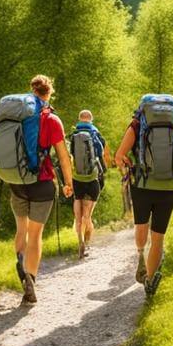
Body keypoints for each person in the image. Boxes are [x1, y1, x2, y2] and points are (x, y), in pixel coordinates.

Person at [114, 104, 173, 297]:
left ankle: (140, 254)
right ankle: (149, 281)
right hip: (167, 189)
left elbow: (119, 156)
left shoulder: (137, 124)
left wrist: (128, 169)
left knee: (141, 225)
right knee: (158, 238)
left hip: (142, 185)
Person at [8, 75, 73, 304]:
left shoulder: (16, 117)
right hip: (42, 182)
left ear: (31, 91)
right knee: (35, 234)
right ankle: (31, 278)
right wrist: (68, 183)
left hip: (16, 181)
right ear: (49, 93)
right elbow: (63, 156)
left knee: (21, 230)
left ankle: (20, 261)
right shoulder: (52, 120)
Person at [69, 109, 112, 259]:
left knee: (78, 214)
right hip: (92, 178)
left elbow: (69, 157)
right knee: (87, 214)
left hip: (77, 179)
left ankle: (80, 242)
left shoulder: (73, 135)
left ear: (79, 119)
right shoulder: (95, 134)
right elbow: (100, 155)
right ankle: (87, 245)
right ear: (91, 119)